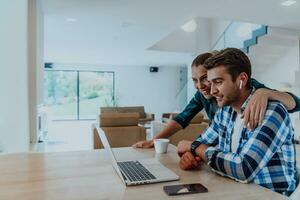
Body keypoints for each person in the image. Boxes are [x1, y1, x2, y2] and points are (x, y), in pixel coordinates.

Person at [178, 48, 297, 196]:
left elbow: (244, 168)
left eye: (218, 82)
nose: (212, 90)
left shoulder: (271, 112)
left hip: (268, 195)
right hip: (232, 190)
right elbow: (199, 144)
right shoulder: (225, 112)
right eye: (211, 83)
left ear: (242, 79)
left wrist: (197, 148)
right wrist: (191, 155)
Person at [133, 52, 300, 148]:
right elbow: (182, 119)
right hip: (221, 148)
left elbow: (295, 103)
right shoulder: (203, 95)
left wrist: (265, 92)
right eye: (194, 80)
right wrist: (154, 141)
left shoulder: (247, 88)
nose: (201, 86)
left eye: (206, 78)